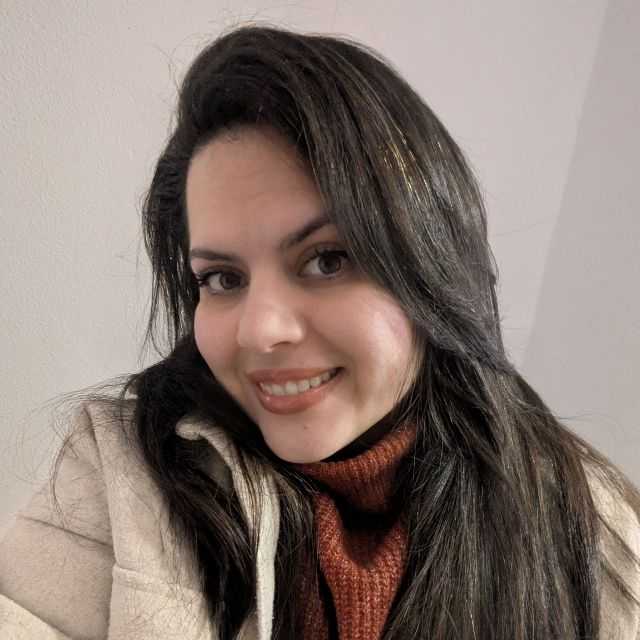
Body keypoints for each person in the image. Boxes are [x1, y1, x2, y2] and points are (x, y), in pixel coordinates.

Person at [1, 24, 639, 640]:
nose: (260, 331)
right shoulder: (124, 470)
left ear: (431, 269)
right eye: (222, 278)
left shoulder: (591, 525)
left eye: (328, 260)